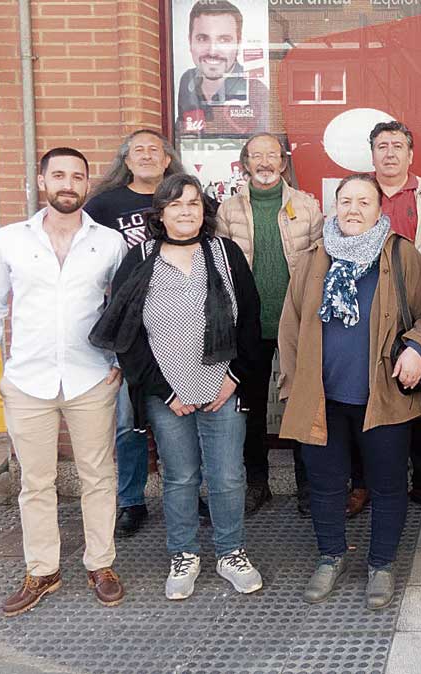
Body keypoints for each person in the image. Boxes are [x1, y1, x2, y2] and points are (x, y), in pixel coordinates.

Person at [90, 174, 265, 601]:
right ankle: (184, 554)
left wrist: (234, 377)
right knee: (180, 477)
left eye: (193, 203)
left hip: (223, 385)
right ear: (160, 213)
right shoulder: (140, 258)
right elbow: (127, 334)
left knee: (226, 476)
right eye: (175, 204)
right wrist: (166, 391)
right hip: (168, 393)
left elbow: (251, 321)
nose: (185, 211)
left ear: (204, 211)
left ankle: (231, 552)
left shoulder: (225, 255)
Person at [0, 147, 127, 616]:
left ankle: (101, 563)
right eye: (58, 175)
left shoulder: (108, 243)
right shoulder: (11, 240)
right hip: (28, 379)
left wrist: (119, 359)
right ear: (42, 181)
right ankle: (42, 570)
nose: (68, 184)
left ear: (86, 185)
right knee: (36, 482)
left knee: (98, 476)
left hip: (91, 376)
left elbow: (125, 306)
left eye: (77, 177)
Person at [275, 173, 421, 610]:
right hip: (321, 398)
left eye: (364, 201)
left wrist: (418, 348)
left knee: (386, 485)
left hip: (384, 396)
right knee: (326, 485)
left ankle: (381, 565)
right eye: (345, 201)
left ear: (380, 208)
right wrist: (293, 387)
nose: (353, 210)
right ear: (334, 207)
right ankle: (331, 557)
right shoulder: (313, 258)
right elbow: (290, 328)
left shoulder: (403, 256)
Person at [343, 120, 421, 519]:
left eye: (397, 146)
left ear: (410, 154)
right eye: (381, 146)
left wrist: (402, 267)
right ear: (371, 153)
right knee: (362, 398)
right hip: (364, 307)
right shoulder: (359, 194)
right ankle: (362, 485)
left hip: (417, 302)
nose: (389, 153)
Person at [215, 131, 324, 517]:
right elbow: (220, 268)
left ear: (283, 162)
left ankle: (308, 486)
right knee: (252, 405)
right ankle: (256, 482)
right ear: (245, 163)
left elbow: (317, 266)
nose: (264, 162)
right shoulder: (227, 211)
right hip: (248, 323)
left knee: (301, 402)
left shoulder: (307, 207)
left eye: (272, 155)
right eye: (256, 155)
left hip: (295, 320)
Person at [85, 129, 186, 538]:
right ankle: (131, 501)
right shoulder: (104, 206)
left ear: (167, 160)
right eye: (137, 150)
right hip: (128, 328)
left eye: (155, 150)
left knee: (182, 414)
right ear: (125, 160)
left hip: (180, 323)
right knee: (128, 422)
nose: (146, 156)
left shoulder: (185, 195)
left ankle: (187, 491)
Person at [174, 0, 269, 136]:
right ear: (190, 41)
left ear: (239, 43)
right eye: (202, 38)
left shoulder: (256, 91)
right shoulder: (187, 80)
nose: (212, 51)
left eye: (224, 40)